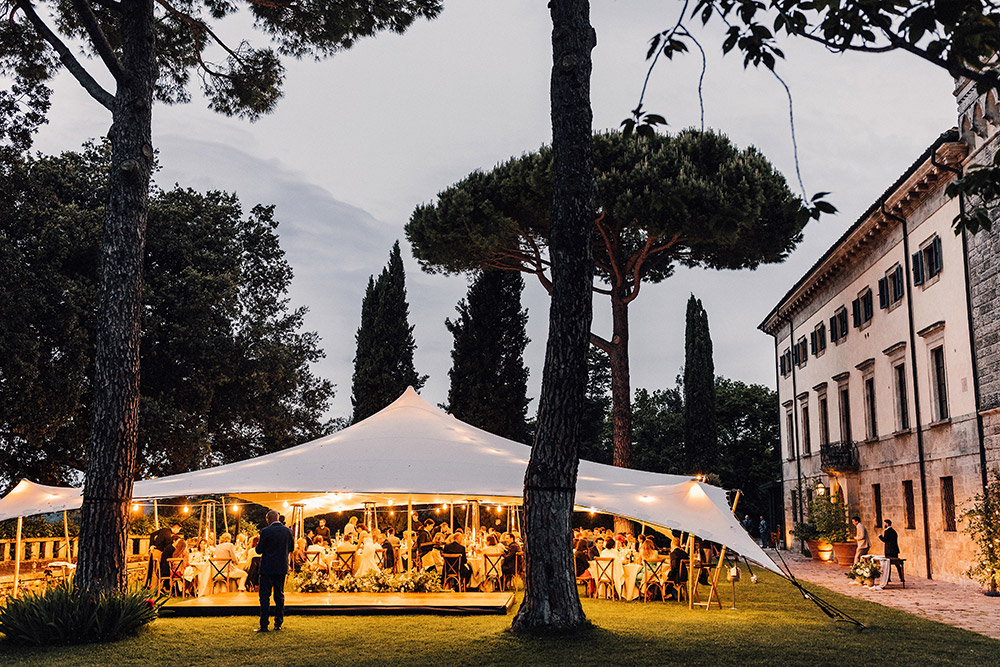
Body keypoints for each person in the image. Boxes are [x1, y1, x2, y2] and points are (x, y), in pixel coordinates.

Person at [255, 509, 294, 632]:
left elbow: (259, 550)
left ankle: (264, 625)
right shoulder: (288, 531)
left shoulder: (266, 531)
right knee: (279, 595)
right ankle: (278, 623)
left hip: (267, 568)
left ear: (268, 519)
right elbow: (291, 548)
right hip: (281, 567)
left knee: (265, 596)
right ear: (278, 518)